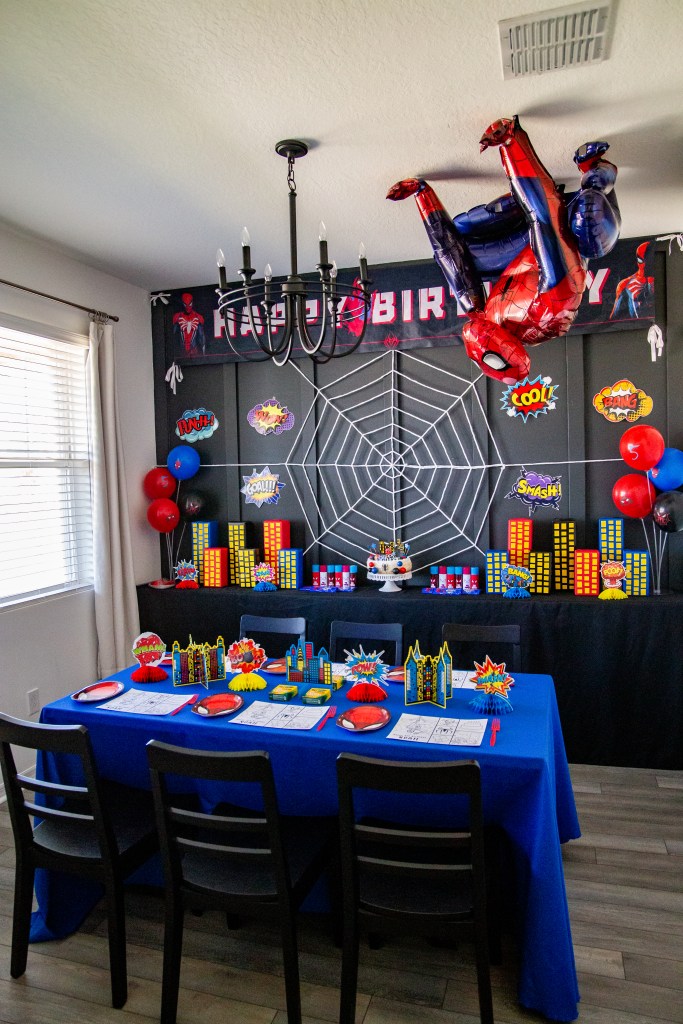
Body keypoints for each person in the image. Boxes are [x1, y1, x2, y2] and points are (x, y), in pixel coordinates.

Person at [387, 115, 621, 383]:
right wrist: (511, 142)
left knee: (462, 239)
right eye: (489, 357)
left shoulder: (486, 318)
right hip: (565, 235)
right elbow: (544, 219)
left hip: (524, 247)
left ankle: (521, 201)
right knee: (588, 220)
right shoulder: (554, 305)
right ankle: (594, 170)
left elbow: (449, 255)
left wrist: (422, 193)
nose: (479, 348)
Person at [172, 292, 206, 356]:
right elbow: (172, 335)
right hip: (181, 350)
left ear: (192, 303)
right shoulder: (177, 316)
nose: (187, 307)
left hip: (194, 350)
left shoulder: (198, 317)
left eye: (189, 304)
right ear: (182, 304)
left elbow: (202, 337)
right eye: (185, 305)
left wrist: (203, 354)